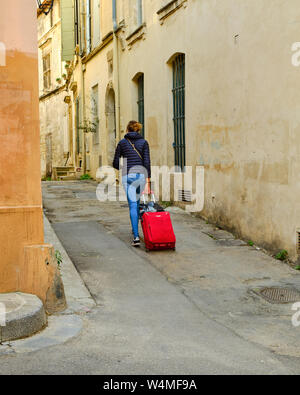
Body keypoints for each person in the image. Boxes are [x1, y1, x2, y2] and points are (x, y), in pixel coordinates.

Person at [113, 121, 151, 247]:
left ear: (127, 130)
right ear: (138, 130)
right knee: (137, 202)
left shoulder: (122, 143)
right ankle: (139, 229)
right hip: (140, 175)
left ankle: (135, 236)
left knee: (132, 205)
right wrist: (147, 182)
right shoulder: (144, 143)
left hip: (127, 175)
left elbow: (115, 163)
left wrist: (123, 167)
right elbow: (147, 162)